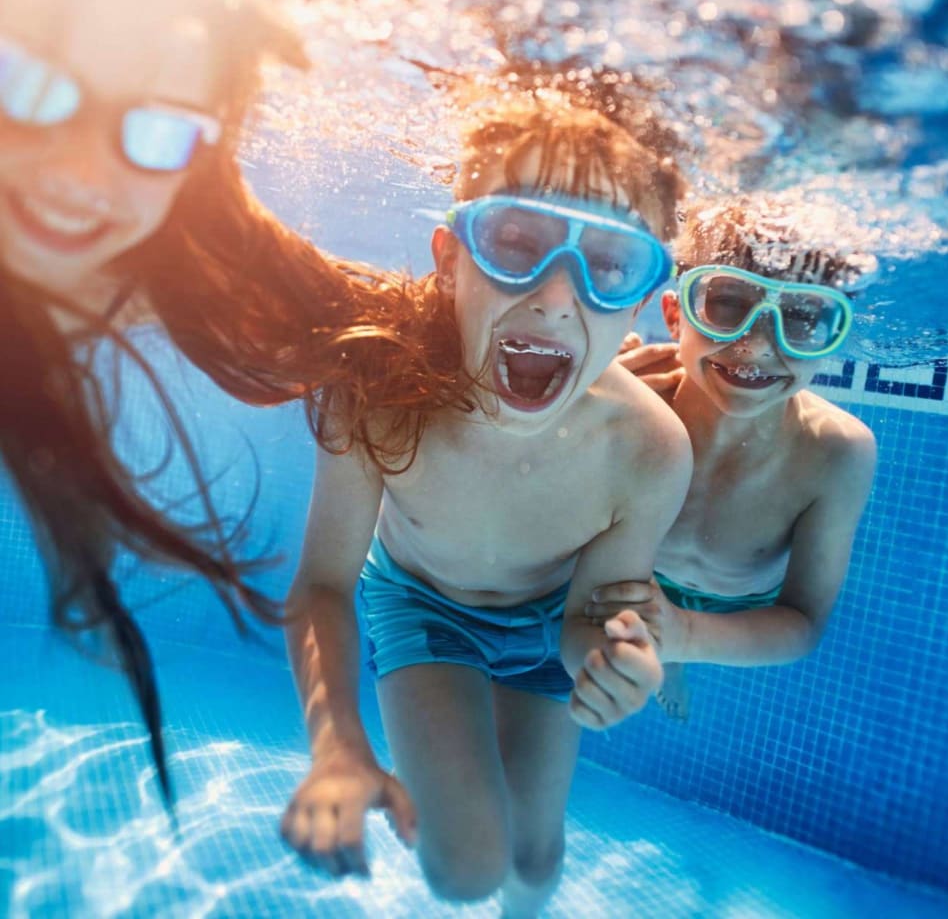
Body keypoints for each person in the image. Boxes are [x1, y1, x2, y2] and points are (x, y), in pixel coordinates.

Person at [0, 0, 473, 805]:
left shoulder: (175, 259)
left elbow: (384, 327)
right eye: (26, 86)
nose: (81, 171)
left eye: (158, 128)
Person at [280, 95, 693, 916]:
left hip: (548, 625)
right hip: (423, 608)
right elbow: (325, 582)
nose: (553, 294)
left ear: (641, 299)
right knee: (463, 869)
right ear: (450, 257)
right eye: (515, 241)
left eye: (609, 263)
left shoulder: (649, 450)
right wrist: (337, 746)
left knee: (534, 864)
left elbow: (592, 620)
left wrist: (616, 664)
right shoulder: (378, 394)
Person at [597, 194, 878, 718]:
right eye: (727, 304)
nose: (756, 345)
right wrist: (586, 399)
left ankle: (677, 652)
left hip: (738, 603)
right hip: (639, 576)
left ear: (828, 341)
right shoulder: (632, 399)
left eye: (799, 317)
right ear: (675, 316)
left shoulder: (836, 451)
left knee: (678, 637)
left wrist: (684, 634)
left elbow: (801, 622)